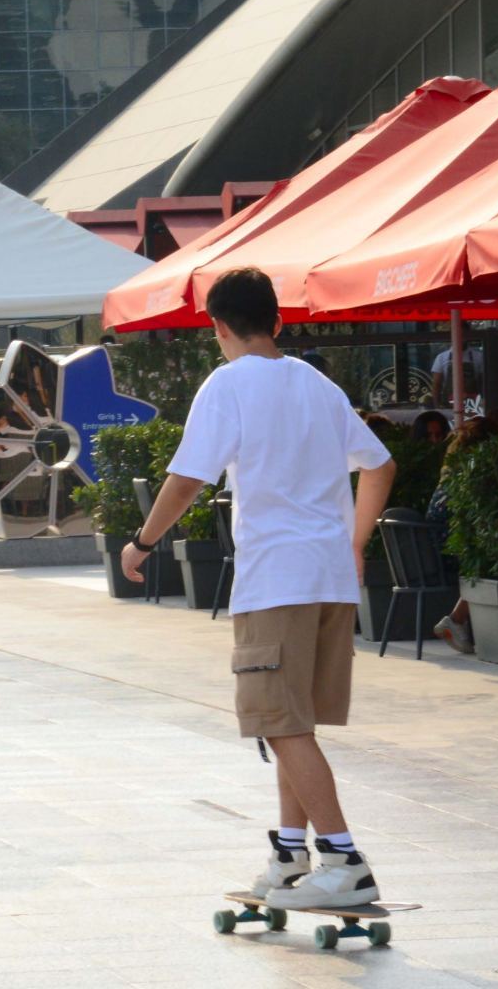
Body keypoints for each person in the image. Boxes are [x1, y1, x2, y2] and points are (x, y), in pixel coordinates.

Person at [119, 267, 396, 911]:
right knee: (292, 720)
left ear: (218, 328)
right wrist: (354, 542)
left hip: (275, 579)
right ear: (277, 321)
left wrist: (144, 542)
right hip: (329, 579)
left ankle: (345, 860)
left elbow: (188, 479)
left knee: (279, 722)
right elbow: (380, 465)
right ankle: (290, 850)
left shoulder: (228, 384)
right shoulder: (318, 384)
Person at [428, 418, 498, 653]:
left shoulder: (452, 470)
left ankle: (458, 620)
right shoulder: (475, 474)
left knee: (488, 553)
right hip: (449, 553)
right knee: (493, 558)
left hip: (434, 548)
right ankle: (457, 619)